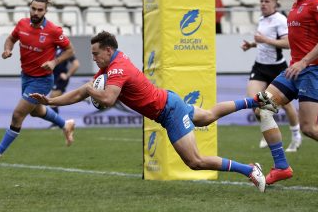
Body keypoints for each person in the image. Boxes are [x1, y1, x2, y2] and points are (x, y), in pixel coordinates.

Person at [30, 31, 282, 193]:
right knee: (207, 116)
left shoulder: (117, 69)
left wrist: (89, 88)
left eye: (95, 54)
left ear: (108, 50)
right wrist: (51, 101)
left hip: (168, 111)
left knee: (195, 161)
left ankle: (250, 170)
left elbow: (106, 98)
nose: (93, 58)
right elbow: (80, 94)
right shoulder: (111, 65)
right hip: (168, 100)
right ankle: (255, 101)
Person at [255, 0, 318, 185]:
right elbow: (300, 40)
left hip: (311, 71)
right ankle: (281, 166)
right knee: (262, 107)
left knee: (309, 128)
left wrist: (305, 61)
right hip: (293, 70)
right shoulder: (297, 5)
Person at [0, 0, 76, 165]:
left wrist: (54, 62)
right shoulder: (22, 24)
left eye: (40, 10)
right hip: (26, 77)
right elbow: (11, 39)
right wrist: (8, 49)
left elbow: (70, 50)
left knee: (18, 115)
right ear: (30, 8)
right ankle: (66, 124)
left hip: (42, 80)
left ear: (45, 11)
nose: (35, 13)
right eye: (33, 9)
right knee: (37, 111)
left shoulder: (53, 30)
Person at [241, 0, 302, 152]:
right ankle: (271, 131)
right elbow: (265, 42)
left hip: (277, 67)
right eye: (261, 1)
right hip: (260, 67)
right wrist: (252, 45)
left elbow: (288, 43)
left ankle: (296, 136)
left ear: (275, 3)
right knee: (255, 103)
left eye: (266, 1)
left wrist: (263, 39)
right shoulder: (262, 18)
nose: (263, 4)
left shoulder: (280, 19)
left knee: (287, 106)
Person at [48, 47, 80, 128]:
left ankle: (57, 123)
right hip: (53, 78)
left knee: (53, 98)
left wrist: (67, 75)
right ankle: (57, 122)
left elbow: (76, 64)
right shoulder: (50, 49)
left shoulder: (65, 50)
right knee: (53, 100)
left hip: (60, 78)